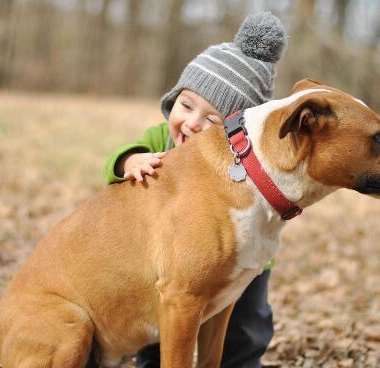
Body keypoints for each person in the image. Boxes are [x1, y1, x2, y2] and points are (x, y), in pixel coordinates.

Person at [102, 12, 287, 368]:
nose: (192, 123)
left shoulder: (241, 164)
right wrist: (133, 162)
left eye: (212, 120)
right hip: (169, 259)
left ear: (236, 134)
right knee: (167, 317)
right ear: (174, 99)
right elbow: (113, 163)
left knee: (246, 326)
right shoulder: (160, 139)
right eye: (186, 105)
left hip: (242, 258)